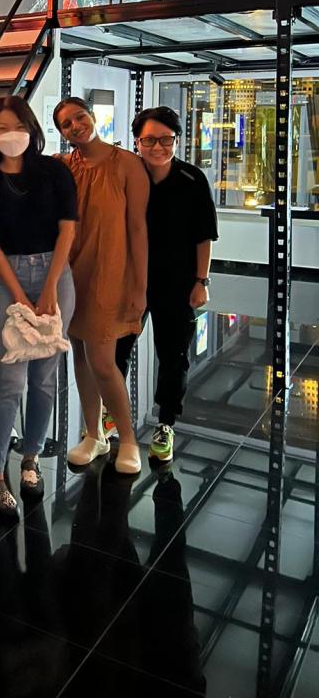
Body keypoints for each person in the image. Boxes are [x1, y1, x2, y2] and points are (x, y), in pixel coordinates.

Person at [0, 96, 77, 515]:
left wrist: (49, 288)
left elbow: (68, 229)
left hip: (56, 274)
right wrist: (18, 294)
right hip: (7, 275)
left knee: (45, 378)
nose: (11, 134)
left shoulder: (54, 171)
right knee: (11, 380)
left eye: (18, 126)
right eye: (1, 128)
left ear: (32, 129)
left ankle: (31, 456)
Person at [114, 106, 218, 463]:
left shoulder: (192, 179)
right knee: (118, 349)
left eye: (166, 139)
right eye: (149, 140)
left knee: (173, 355)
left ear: (177, 140)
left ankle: (165, 423)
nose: (157, 147)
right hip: (131, 279)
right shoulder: (127, 175)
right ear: (137, 142)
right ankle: (112, 411)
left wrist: (201, 281)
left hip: (177, 282)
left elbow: (204, 237)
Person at [53, 96, 148, 475]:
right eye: (66, 124)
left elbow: (138, 228)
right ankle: (93, 434)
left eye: (80, 117)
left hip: (110, 271)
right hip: (72, 271)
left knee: (104, 362)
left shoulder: (127, 164)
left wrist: (140, 286)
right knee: (79, 354)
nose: (76, 126)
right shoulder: (64, 166)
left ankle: (128, 438)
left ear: (92, 116)